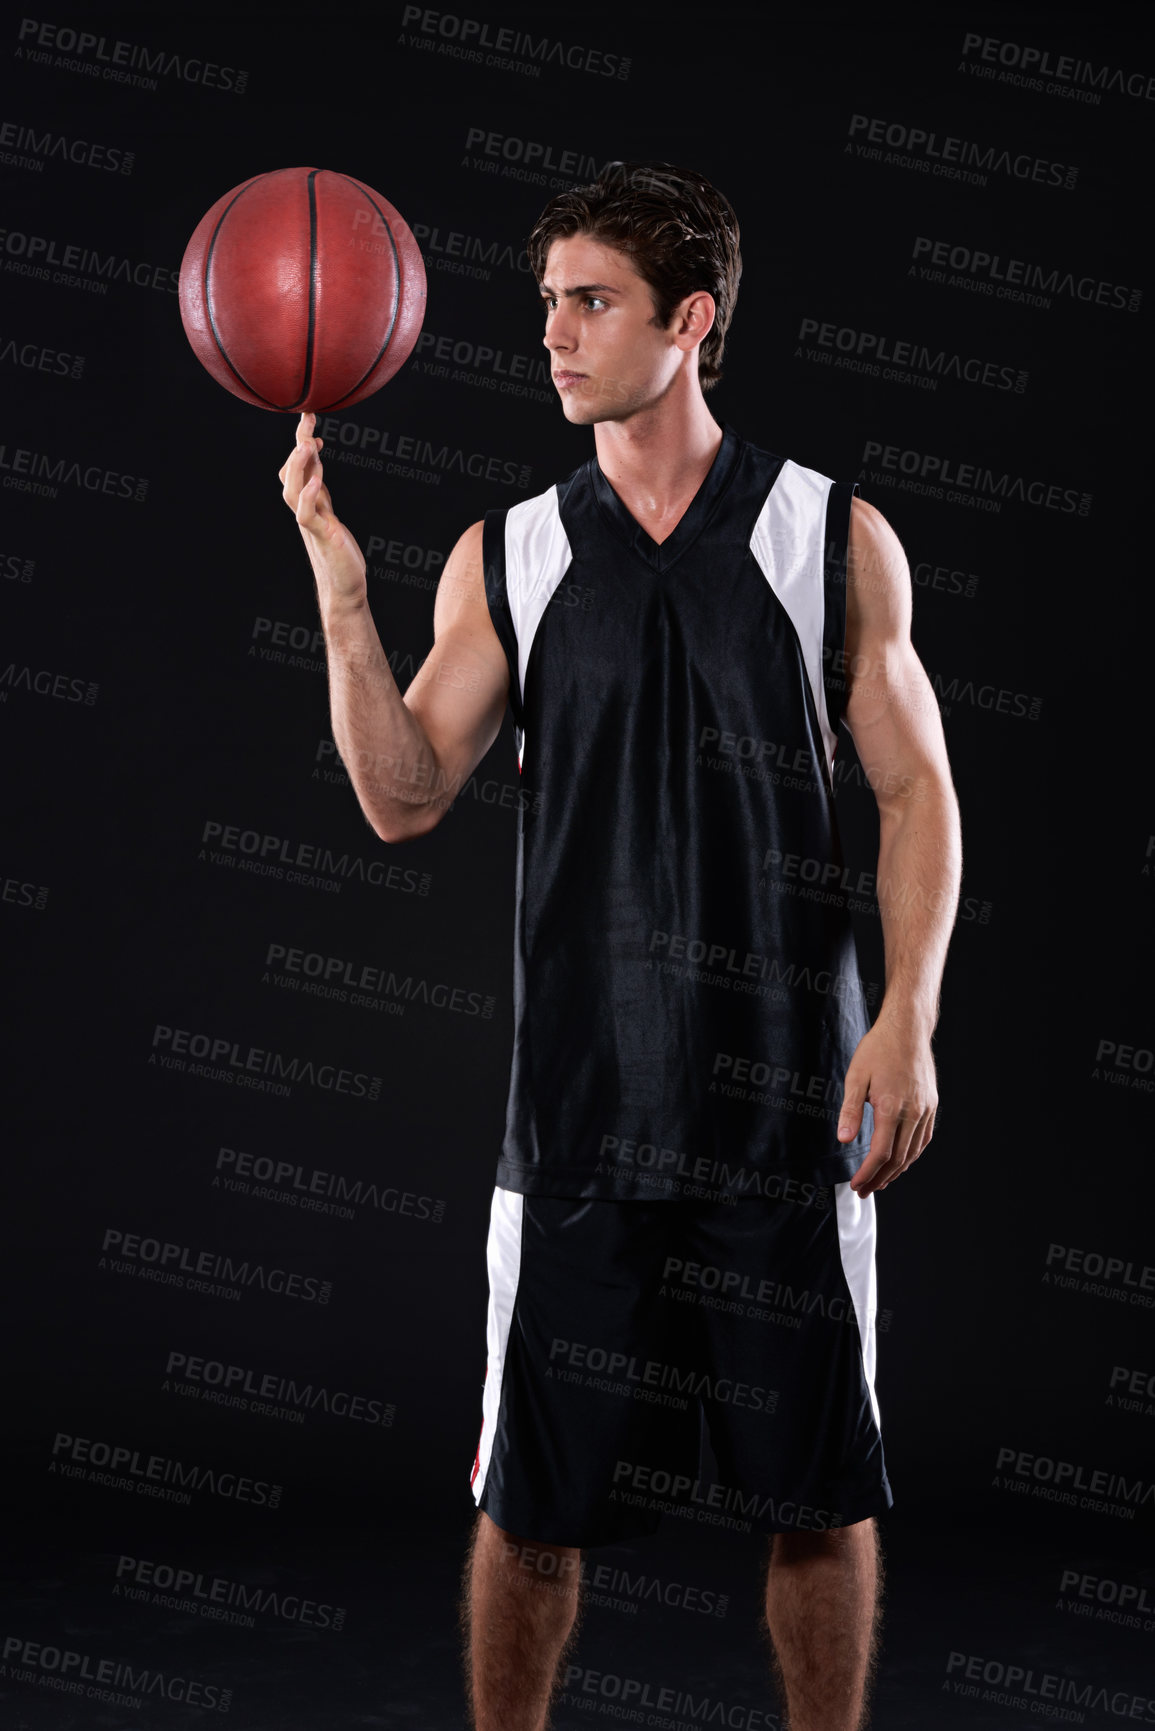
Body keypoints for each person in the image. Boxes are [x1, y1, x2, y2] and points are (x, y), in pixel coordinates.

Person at [278, 159, 962, 1731]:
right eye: (547, 304)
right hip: (578, 1116)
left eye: (590, 303)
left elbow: (918, 789)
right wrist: (336, 590)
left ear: (692, 322)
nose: (553, 336)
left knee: (818, 1490)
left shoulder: (827, 536)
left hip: (792, 1112)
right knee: (528, 1505)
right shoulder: (507, 553)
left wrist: (909, 1016)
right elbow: (402, 796)